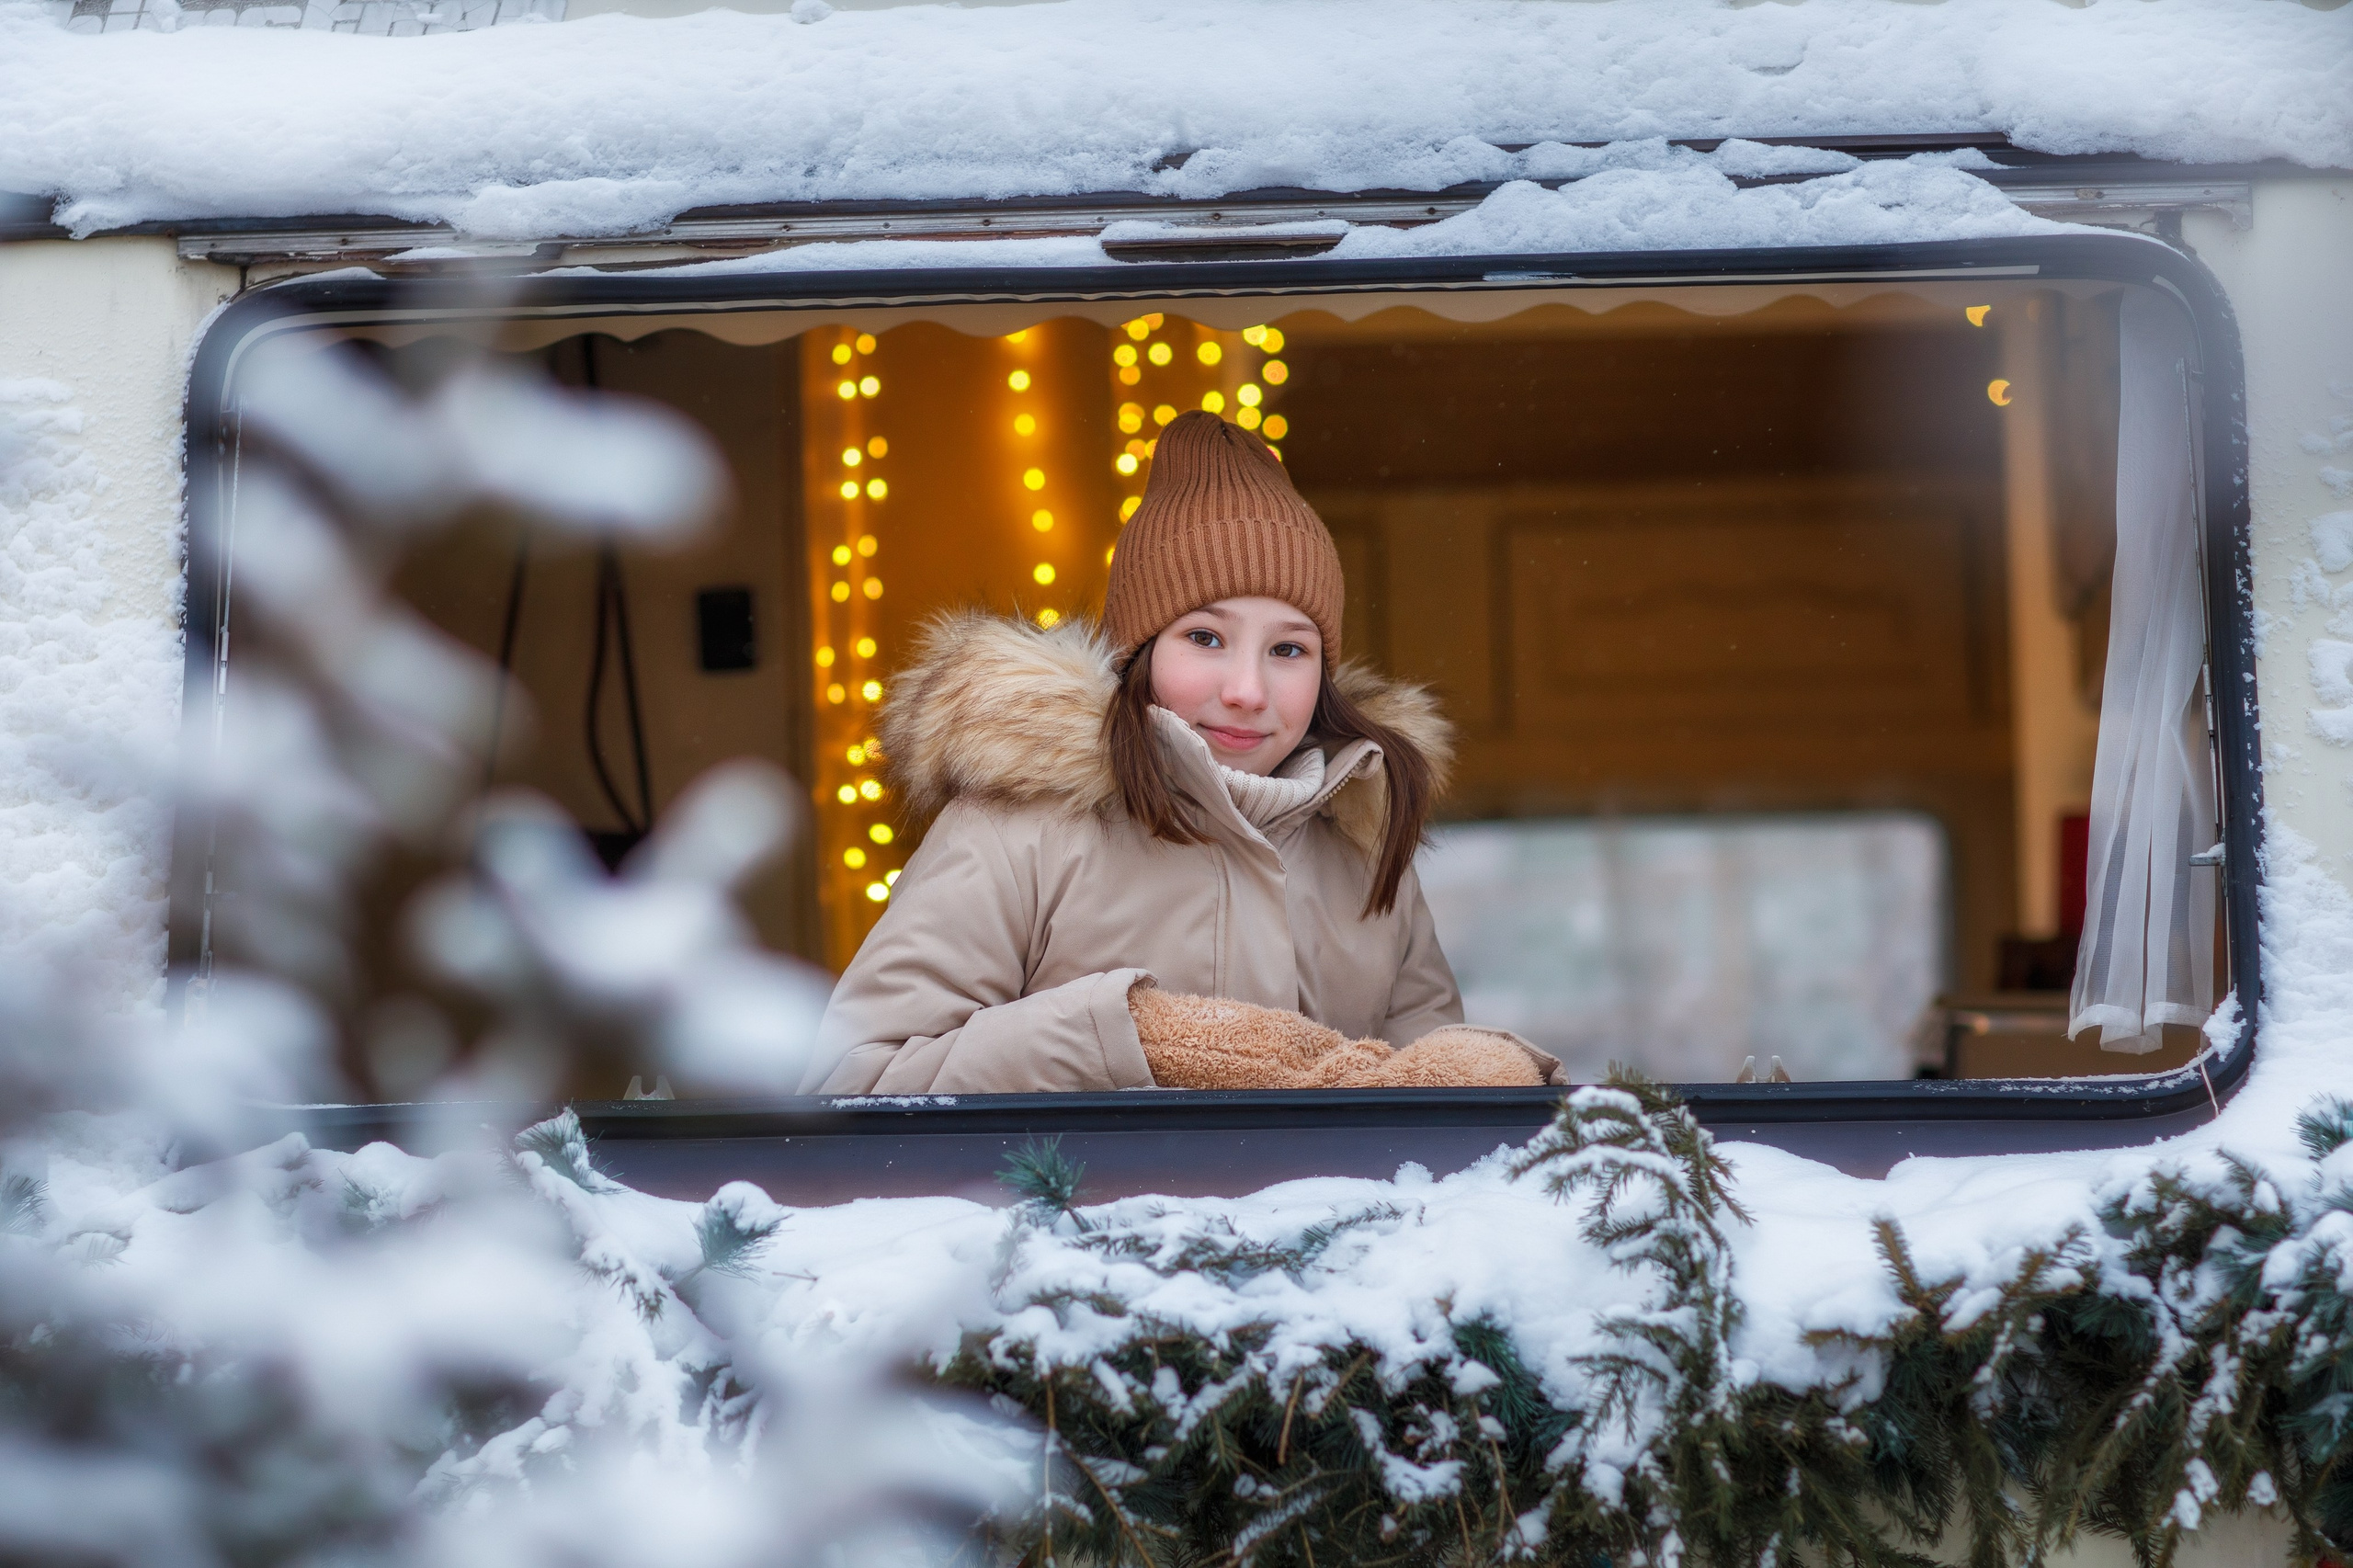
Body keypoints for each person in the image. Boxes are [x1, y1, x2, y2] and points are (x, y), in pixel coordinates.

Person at [802, 411, 1561, 1095]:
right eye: (1205, 637)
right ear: (1140, 652)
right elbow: (855, 1084)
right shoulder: (1015, 829)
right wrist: (1129, 1039)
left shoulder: (1366, 844)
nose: (1246, 689)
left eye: (1289, 649)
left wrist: (1460, 1079)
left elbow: (1425, 1133)